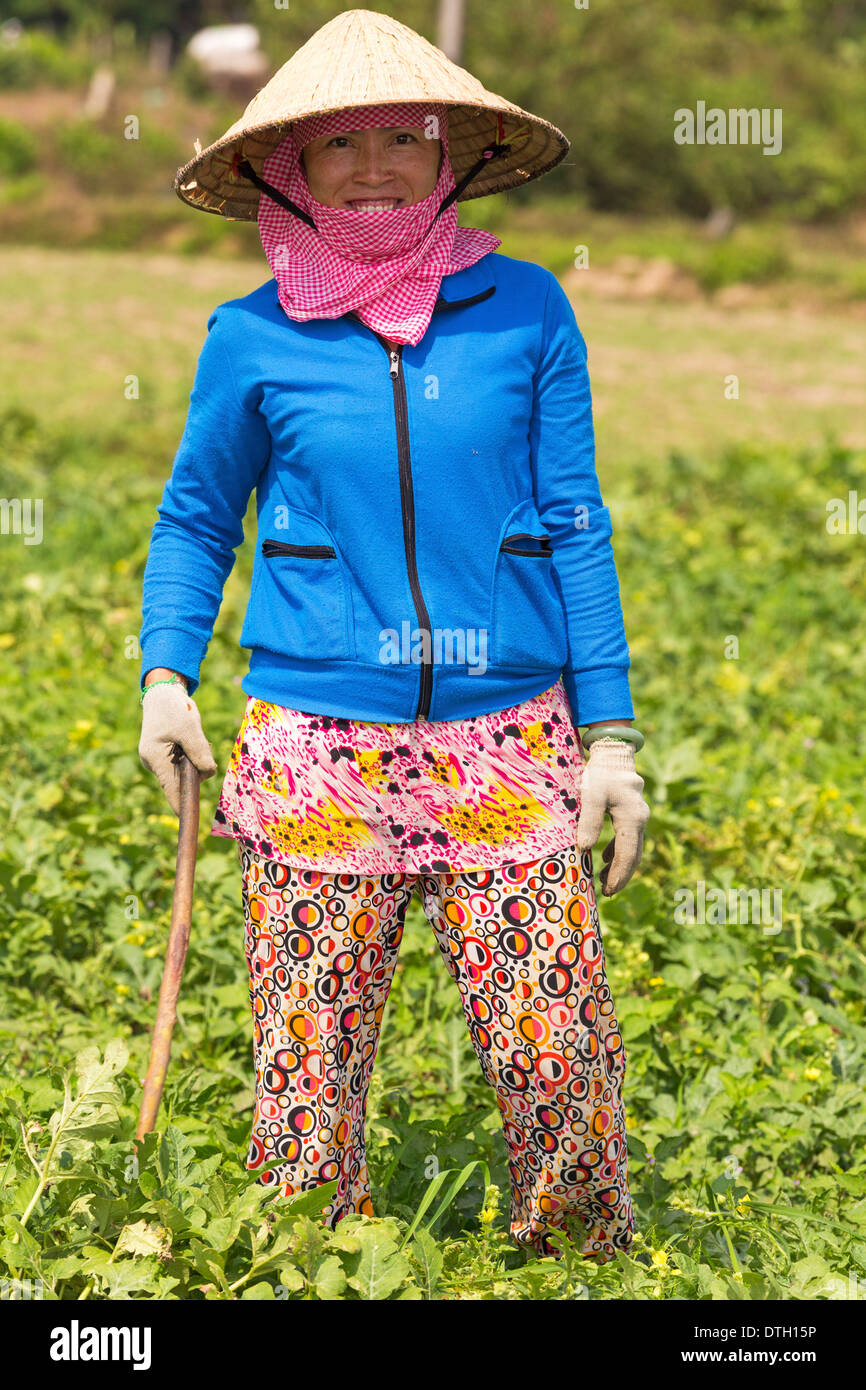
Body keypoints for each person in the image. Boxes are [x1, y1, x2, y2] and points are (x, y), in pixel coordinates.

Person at [138, 9, 650, 1264]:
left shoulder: (526, 311)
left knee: (555, 1049)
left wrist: (613, 736)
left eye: (402, 136)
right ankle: (310, 1273)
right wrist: (166, 674)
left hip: (506, 736)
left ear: (451, 153)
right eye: (337, 142)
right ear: (285, 168)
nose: (371, 164)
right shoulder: (250, 334)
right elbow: (198, 517)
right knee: (304, 1088)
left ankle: (575, 1268)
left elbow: (575, 522)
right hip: (314, 740)